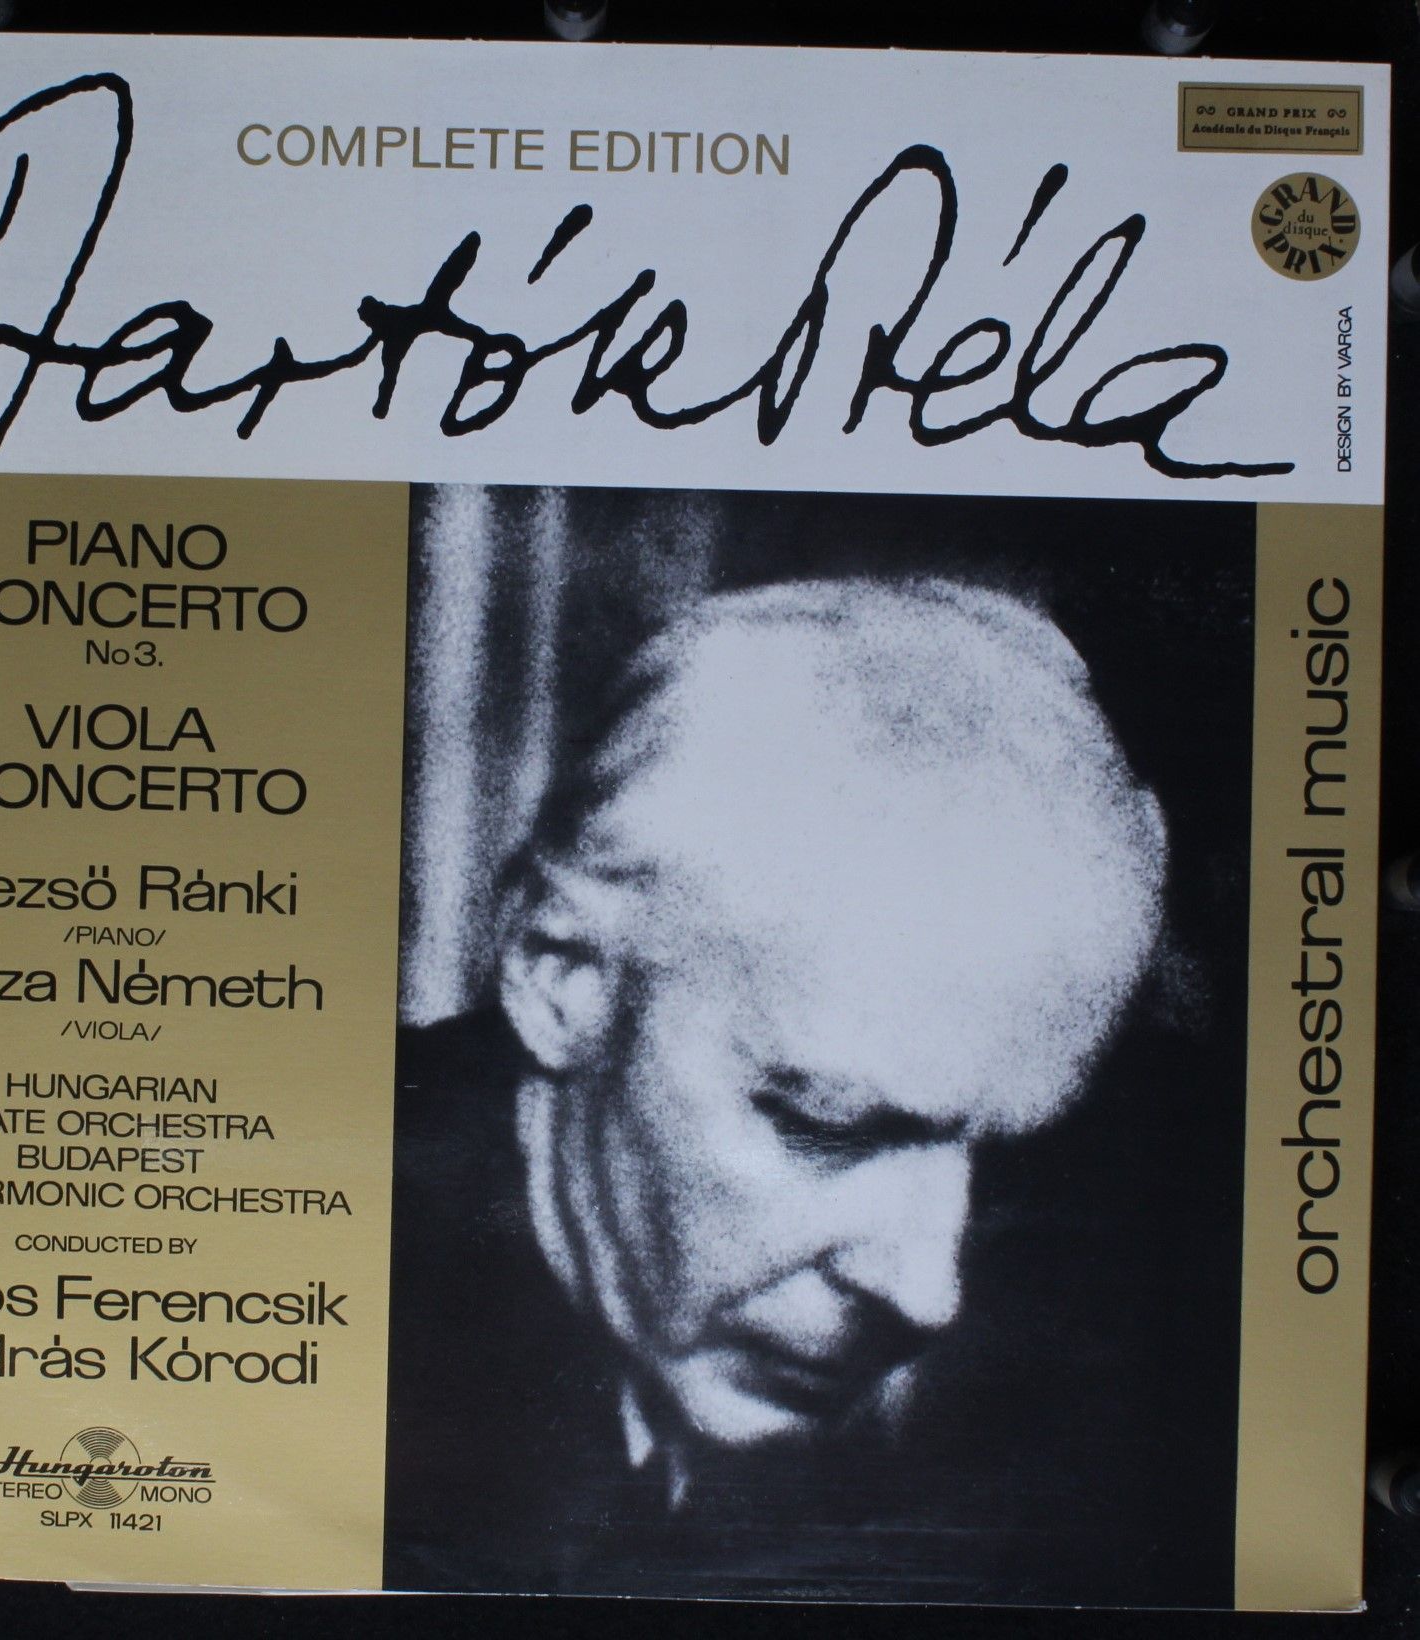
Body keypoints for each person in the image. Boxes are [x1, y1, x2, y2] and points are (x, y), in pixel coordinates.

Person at [384, 576, 1168, 1596]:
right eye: (825, 1121)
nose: (926, 1292)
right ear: (562, 975)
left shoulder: (991, 1438)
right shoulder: (336, 1311)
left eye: (997, 1155)